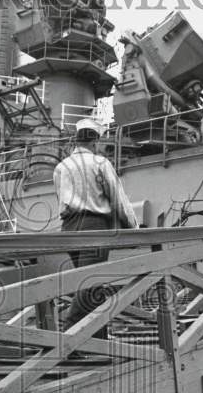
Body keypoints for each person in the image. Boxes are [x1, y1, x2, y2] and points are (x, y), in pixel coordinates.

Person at [52, 118, 139, 336]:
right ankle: (68, 338)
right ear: (95, 141)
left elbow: (61, 199)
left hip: (69, 229)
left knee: (91, 284)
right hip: (94, 226)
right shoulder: (100, 163)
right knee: (90, 284)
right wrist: (135, 230)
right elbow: (119, 200)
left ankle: (96, 338)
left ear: (77, 139)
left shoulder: (61, 168)